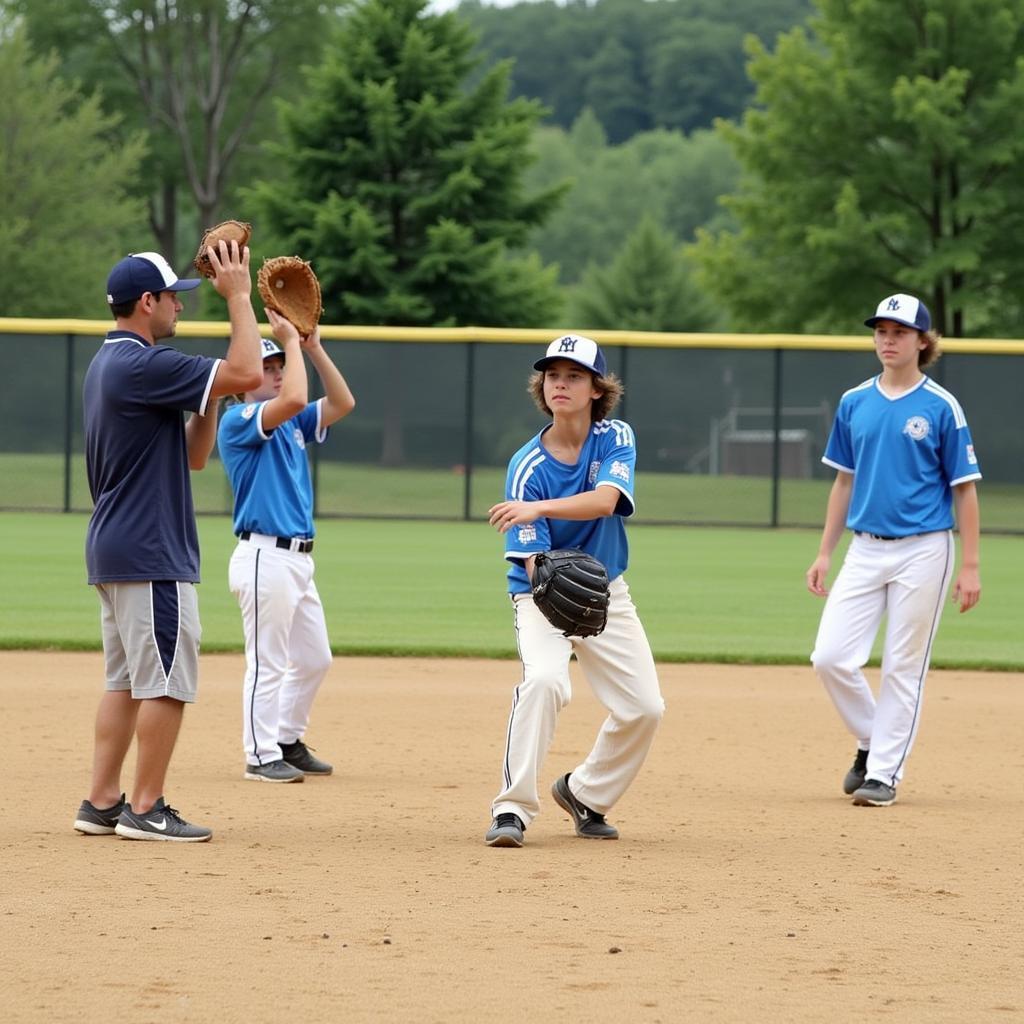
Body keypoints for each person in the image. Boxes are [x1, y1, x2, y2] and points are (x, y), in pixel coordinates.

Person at [74, 242, 263, 842]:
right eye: (173, 298)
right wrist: (238, 295)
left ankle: (102, 801)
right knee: (166, 683)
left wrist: (207, 399)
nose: (180, 307)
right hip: (151, 550)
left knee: (126, 682)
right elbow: (253, 371)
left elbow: (195, 456)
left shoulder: (110, 363)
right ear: (146, 302)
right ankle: (146, 806)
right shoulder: (142, 363)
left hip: (115, 546)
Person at [484, 334, 665, 848]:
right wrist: (550, 580)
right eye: (553, 376)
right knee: (544, 682)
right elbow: (529, 554)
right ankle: (512, 809)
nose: (560, 384)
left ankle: (585, 793)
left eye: (574, 376)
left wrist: (541, 510)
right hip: (541, 597)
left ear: (596, 389)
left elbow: (608, 500)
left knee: (644, 708)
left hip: (608, 591)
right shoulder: (527, 467)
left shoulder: (615, 436)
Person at [806, 293, 982, 807]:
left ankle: (883, 773)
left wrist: (969, 565)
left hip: (925, 548)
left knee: (904, 665)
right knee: (830, 657)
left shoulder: (940, 406)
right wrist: (824, 553)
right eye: (881, 331)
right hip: (864, 547)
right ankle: (870, 740)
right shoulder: (854, 401)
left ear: (922, 342)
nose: (888, 340)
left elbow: (965, 488)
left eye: (899, 332)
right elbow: (843, 482)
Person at [217, 310, 355, 783]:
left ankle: (287, 738)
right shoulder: (238, 419)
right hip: (262, 556)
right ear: (243, 379)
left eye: (278, 366)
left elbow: (342, 401)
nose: (276, 374)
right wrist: (290, 343)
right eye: (266, 368)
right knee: (268, 661)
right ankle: (260, 755)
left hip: (297, 561)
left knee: (316, 658)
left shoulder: (292, 422)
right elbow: (296, 395)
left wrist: (312, 346)